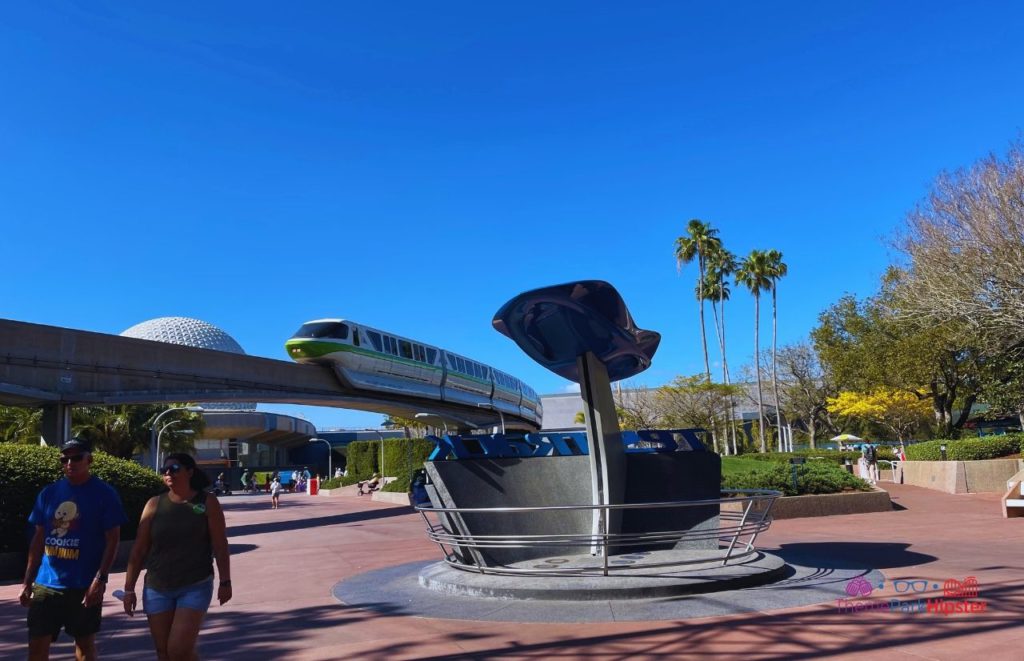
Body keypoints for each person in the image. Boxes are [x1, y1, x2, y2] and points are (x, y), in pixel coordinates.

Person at [20, 437, 128, 661]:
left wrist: (101, 578)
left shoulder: (104, 494)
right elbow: (39, 538)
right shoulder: (49, 493)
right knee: (36, 646)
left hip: (83, 585)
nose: (70, 462)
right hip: (46, 585)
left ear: (90, 460)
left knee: (84, 646)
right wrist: (28, 580)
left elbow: (113, 539)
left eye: (77, 457)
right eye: (65, 458)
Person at [122, 453, 232, 661]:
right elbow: (138, 550)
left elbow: (220, 545)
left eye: (174, 469)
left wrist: (225, 581)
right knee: (163, 653)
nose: (168, 474)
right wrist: (129, 589)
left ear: (189, 472)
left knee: (178, 650)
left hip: (195, 585)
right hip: (157, 587)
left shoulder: (207, 502)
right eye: (165, 471)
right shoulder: (154, 504)